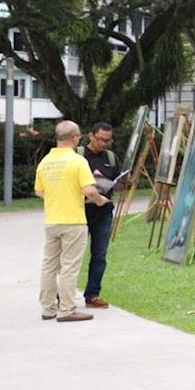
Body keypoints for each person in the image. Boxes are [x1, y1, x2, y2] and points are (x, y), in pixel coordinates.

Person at [36, 120, 110, 322]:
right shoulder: (78, 161)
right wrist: (100, 200)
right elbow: (89, 191)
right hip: (73, 220)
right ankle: (67, 309)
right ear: (74, 138)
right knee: (69, 266)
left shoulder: (45, 162)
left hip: (51, 220)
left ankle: (48, 308)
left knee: (49, 265)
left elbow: (39, 191)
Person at [77, 121, 123, 308]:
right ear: (90, 136)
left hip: (103, 212)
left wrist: (120, 182)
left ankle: (92, 294)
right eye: (100, 139)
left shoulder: (111, 157)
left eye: (107, 140)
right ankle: (63, 295)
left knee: (99, 255)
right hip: (80, 211)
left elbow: (117, 181)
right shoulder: (78, 155)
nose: (103, 143)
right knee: (73, 255)